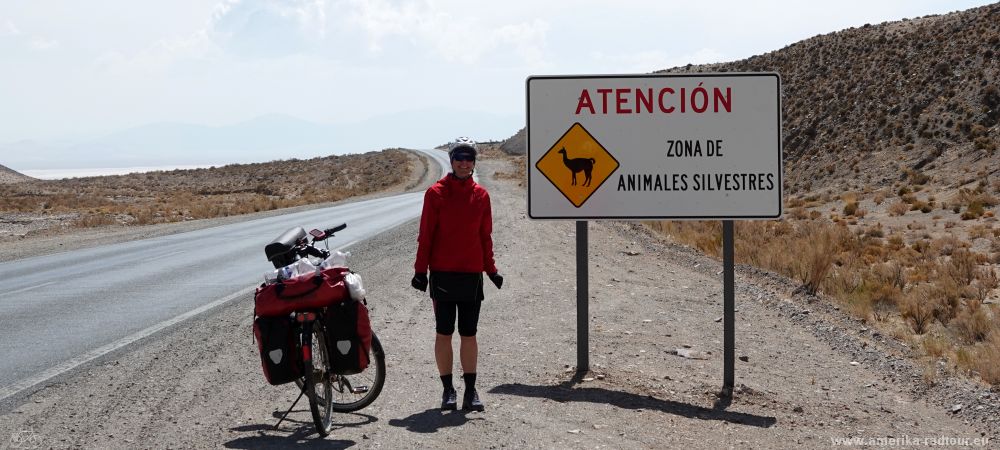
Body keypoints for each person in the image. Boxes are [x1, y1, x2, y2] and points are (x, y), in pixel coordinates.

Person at [411, 137, 504, 412]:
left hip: (471, 275)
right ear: (451, 161)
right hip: (442, 274)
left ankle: (471, 391)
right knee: (443, 332)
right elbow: (425, 236)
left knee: (469, 334)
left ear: (474, 162)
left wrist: (491, 269)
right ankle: (448, 390)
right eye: (460, 157)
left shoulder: (481, 196)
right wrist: (420, 271)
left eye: (469, 158)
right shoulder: (435, 193)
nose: (465, 163)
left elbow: (485, 236)